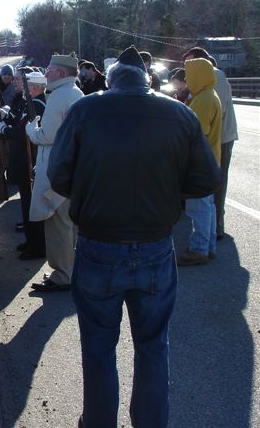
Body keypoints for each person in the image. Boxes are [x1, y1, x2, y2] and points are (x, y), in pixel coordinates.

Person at [47, 45, 220, 428]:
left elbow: (58, 175)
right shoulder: (179, 114)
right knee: (154, 345)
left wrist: (91, 191)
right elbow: (206, 180)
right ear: (147, 79)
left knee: (98, 348)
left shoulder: (85, 111)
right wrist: (167, 192)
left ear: (110, 80)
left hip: (97, 246)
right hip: (156, 247)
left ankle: (98, 422)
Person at [24, 53, 83, 291]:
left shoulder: (59, 96)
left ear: (60, 73)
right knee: (70, 223)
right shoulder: (76, 93)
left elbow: (46, 136)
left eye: (49, 69)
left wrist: (31, 129)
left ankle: (62, 275)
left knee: (58, 223)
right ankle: (72, 269)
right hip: (71, 167)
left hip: (57, 168)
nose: (45, 73)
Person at [182, 47, 238, 240]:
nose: (186, 69)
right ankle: (211, 227)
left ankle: (216, 226)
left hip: (221, 137)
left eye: (189, 63)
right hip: (214, 135)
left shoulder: (215, 77)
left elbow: (215, 112)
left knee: (216, 182)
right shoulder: (203, 83)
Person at [0, 67, 47, 260]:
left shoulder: (38, 105)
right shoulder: (29, 103)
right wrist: (6, 116)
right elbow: (19, 122)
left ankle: (38, 245)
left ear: (34, 87)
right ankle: (31, 240)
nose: (22, 88)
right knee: (26, 203)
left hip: (29, 161)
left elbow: (21, 132)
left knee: (33, 203)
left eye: (26, 85)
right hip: (23, 161)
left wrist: (4, 129)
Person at [176, 57, 222, 266]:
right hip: (210, 160)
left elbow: (196, 133)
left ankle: (199, 249)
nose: (186, 78)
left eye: (189, 74)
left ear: (199, 75)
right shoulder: (207, 95)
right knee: (207, 207)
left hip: (200, 163)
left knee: (198, 208)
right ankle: (208, 246)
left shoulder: (203, 100)